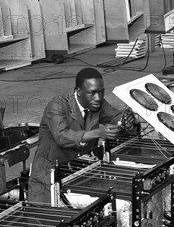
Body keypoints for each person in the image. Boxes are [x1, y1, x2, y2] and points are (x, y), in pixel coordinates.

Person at [28, 68, 137, 203]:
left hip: (75, 172)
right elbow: (62, 136)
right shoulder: (57, 105)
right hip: (47, 175)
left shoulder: (97, 103)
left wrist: (126, 120)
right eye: (92, 93)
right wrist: (99, 132)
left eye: (101, 92)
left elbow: (113, 115)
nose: (98, 98)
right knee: (48, 219)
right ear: (78, 92)